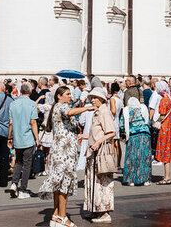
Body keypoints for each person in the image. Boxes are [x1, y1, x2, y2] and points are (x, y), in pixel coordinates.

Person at [38, 85, 92, 227]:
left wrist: (78, 133)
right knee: (64, 183)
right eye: (67, 94)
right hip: (64, 152)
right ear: (59, 96)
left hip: (63, 150)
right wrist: (86, 108)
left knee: (60, 183)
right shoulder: (61, 106)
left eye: (70, 94)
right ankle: (62, 216)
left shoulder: (57, 108)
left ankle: (56, 214)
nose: (70, 96)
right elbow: (69, 112)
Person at [84, 87, 117, 223]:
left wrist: (98, 142)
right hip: (94, 151)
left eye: (95, 97)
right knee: (94, 181)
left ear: (102, 99)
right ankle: (96, 209)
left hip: (101, 153)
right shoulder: (97, 112)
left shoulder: (104, 112)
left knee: (102, 181)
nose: (92, 100)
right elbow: (98, 132)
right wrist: (85, 136)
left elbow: (111, 132)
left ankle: (104, 212)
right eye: (91, 97)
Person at [8, 80, 39, 198]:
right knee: (27, 164)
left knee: (18, 162)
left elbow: (10, 122)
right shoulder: (32, 104)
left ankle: (14, 183)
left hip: (17, 137)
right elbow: (33, 122)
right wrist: (37, 138)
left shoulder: (13, 104)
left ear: (20, 91)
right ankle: (23, 189)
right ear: (30, 91)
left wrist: (9, 136)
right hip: (28, 138)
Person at [122, 95, 153, 186]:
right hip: (145, 135)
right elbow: (147, 121)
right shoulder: (143, 108)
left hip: (132, 136)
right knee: (145, 157)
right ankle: (145, 179)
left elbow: (122, 125)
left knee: (132, 157)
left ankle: (131, 180)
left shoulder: (126, 110)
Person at [152, 80, 171, 184]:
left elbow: (162, 115)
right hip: (170, 128)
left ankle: (166, 178)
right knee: (169, 153)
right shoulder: (170, 99)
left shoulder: (163, 100)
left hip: (164, 129)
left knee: (165, 152)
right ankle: (168, 176)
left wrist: (155, 123)